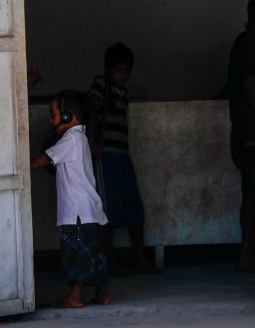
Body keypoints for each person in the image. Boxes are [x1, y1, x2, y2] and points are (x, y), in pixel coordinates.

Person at [31, 90, 110, 308]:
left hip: (77, 212)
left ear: (67, 116)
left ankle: (74, 297)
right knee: (96, 253)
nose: (50, 119)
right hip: (90, 210)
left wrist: (21, 163)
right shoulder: (80, 138)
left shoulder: (72, 139)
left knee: (78, 254)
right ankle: (102, 294)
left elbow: (44, 159)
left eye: (53, 114)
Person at [86, 42, 160, 274]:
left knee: (133, 208)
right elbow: (92, 110)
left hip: (122, 156)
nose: (123, 75)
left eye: (127, 71)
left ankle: (140, 258)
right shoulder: (101, 85)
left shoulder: (123, 92)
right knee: (107, 211)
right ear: (108, 69)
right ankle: (112, 263)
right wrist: (92, 143)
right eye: (118, 70)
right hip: (105, 156)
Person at [228, 0, 255, 271]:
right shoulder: (248, 44)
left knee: (254, 195)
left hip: (247, 132)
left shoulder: (247, 44)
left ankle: (251, 253)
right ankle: (248, 254)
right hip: (250, 134)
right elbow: (252, 89)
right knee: (253, 196)